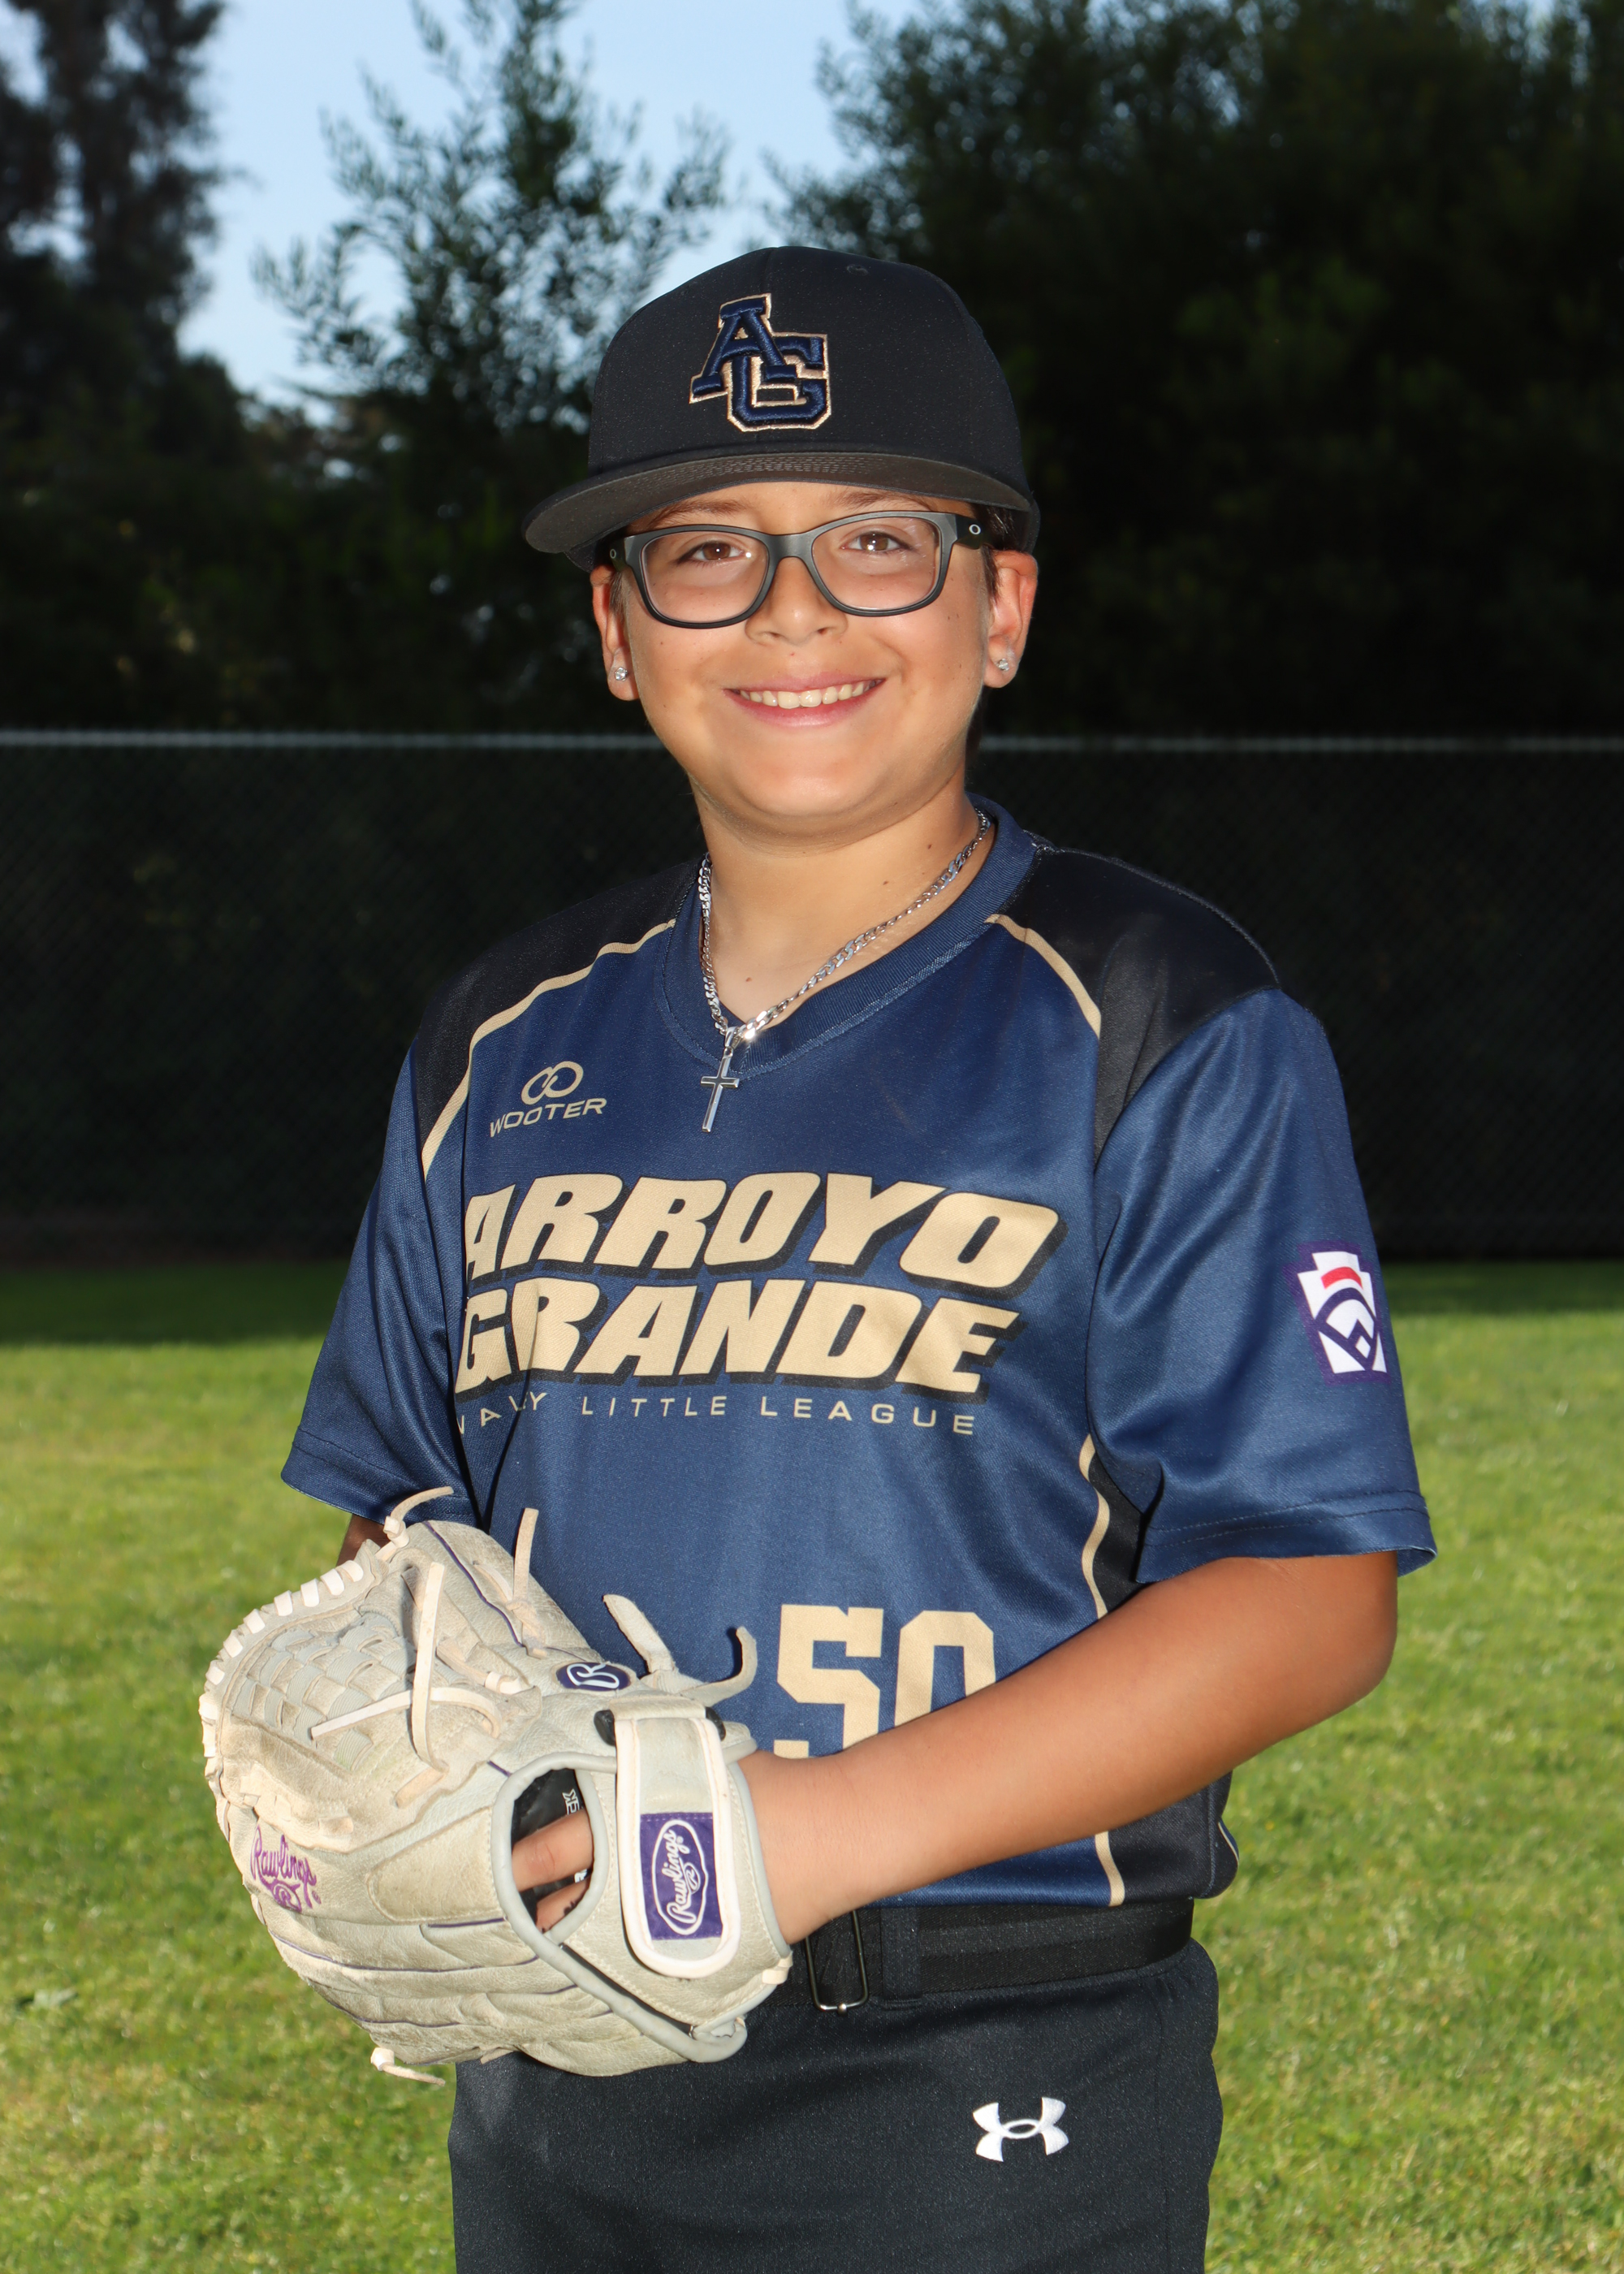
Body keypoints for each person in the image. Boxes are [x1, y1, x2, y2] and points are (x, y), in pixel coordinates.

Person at [287, 245, 1434, 2272]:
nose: (793, 610)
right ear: (618, 629)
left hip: (983, 2047)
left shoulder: (1156, 1011)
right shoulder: (501, 1037)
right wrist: (422, 1735)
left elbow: (1305, 1586)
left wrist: (782, 1834)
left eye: (879, 541)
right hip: (568, 2039)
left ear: (1001, 607)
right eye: (707, 550)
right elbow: (407, 1511)